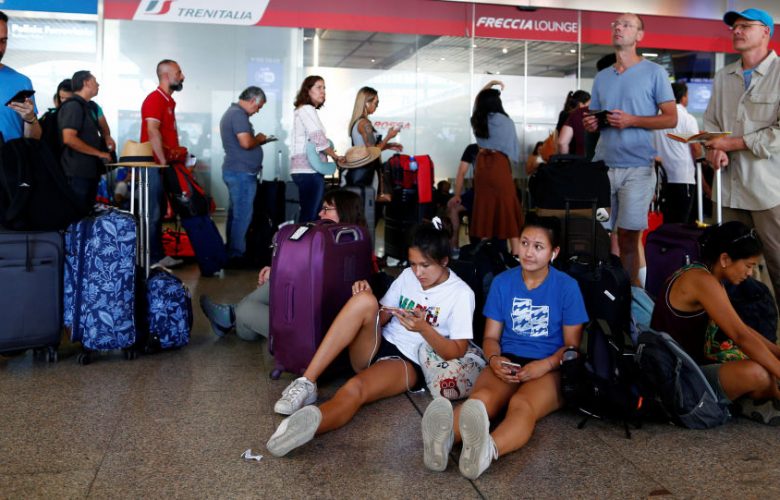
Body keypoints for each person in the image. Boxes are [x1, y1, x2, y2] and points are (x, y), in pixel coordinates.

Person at [265, 220, 475, 457]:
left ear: (444, 261)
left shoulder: (460, 294)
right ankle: (307, 381)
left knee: (355, 388)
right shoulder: (408, 276)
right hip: (378, 343)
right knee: (364, 300)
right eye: (413, 264)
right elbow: (383, 315)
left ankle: (308, 425)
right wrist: (370, 300)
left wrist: (424, 328)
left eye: (425, 266)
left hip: (406, 361)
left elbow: (457, 351)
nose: (418, 273)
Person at [421, 216, 588, 479]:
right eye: (525, 243)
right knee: (481, 400)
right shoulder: (503, 282)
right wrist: (494, 359)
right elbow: (490, 337)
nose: (528, 252)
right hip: (508, 359)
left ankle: (486, 450)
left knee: (522, 405)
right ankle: (441, 441)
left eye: (538, 246)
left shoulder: (567, 287)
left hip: (551, 366)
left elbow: (571, 348)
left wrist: (543, 366)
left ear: (554, 253)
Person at [650, 221, 780, 425]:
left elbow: (741, 328)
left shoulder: (706, 276)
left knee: (766, 364)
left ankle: (755, 400)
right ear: (725, 259)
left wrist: (777, 353)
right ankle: (754, 401)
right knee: (760, 374)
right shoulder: (702, 280)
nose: (750, 274)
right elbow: (740, 336)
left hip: (689, 369)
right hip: (678, 381)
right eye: (748, 266)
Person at [199, 189, 370, 341]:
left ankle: (231, 317)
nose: (320, 213)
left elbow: (317, 291)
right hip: (313, 317)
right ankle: (231, 316)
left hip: (314, 329)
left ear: (344, 211)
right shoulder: (356, 244)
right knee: (266, 289)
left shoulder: (340, 251)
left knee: (245, 310)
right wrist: (278, 273)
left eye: (326, 209)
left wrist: (279, 276)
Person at [584, 12, 677, 286]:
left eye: (626, 25)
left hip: (637, 170)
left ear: (639, 35)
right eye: (616, 24)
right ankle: (603, 291)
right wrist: (592, 123)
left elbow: (670, 118)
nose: (618, 28)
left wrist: (632, 120)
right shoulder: (602, 77)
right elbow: (596, 118)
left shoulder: (654, 73)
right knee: (598, 233)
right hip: (603, 170)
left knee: (628, 237)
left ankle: (629, 296)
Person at [703, 8, 780, 311]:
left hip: (768, 190)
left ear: (766, 31)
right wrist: (714, 148)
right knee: (725, 263)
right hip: (728, 189)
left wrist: (732, 143)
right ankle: (734, 326)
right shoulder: (724, 76)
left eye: (745, 26)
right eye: (734, 26)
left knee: (777, 263)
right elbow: (711, 123)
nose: (737, 31)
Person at [470, 80, 524, 256]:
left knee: (485, 207)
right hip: (499, 165)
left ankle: (485, 255)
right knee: (507, 207)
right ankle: (516, 254)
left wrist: (490, 84)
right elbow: (514, 151)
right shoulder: (506, 122)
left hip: (482, 166)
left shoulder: (478, 120)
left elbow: (477, 102)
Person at [141, 59, 186, 268]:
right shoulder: (155, 99)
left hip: (162, 164)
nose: (182, 77)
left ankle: (158, 255)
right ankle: (150, 259)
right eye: (178, 73)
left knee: (159, 213)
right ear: (166, 76)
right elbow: (152, 131)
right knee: (153, 213)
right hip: (153, 165)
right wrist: (162, 162)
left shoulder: (168, 101)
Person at [219, 86, 269, 265]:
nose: (258, 110)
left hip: (237, 171)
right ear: (253, 100)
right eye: (258, 106)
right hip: (241, 173)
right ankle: (236, 254)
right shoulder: (238, 115)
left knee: (236, 214)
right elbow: (246, 143)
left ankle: (232, 251)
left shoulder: (233, 113)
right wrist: (260, 139)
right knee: (242, 215)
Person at [290, 76, 344, 223]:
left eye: (324, 88)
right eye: (318, 87)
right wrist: (336, 157)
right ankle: (306, 238)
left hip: (303, 170)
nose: (323, 91)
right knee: (312, 217)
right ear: (308, 90)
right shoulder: (307, 109)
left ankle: (301, 237)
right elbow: (318, 137)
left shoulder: (302, 110)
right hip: (309, 170)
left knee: (307, 213)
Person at [58, 70, 112, 212]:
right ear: (86, 83)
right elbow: (69, 138)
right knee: (76, 214)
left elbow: (103, 129)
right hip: (76, 172)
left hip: (88, 171)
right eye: (95, 81)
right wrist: (99, 153)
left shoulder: (88, 106)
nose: (98, 84)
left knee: (86, 213)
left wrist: (106, 137)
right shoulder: (73, 106)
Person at [652, 82, 701, 224]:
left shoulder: (657, 119)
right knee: (681, 223)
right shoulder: (688, 118)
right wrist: (702, 158)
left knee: (665, 222)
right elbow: (696, 148)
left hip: (662, 178)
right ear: (683, 98)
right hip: (682, 176)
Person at [344, 86, 402, 187]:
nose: (377, 106)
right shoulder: (364, 123)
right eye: (376, 103)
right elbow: (372, 151)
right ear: (366, 103)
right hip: (366, 170)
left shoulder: (358, 122)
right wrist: (389, 136)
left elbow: (368, 149)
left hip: (362, 169)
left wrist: (388, 145)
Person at [0, 11, 41, 142]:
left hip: (10, 154)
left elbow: (34, 138)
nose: (0, 48)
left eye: (3, 41)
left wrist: (30, 119)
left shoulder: (22, 82)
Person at [446, 143, 478, 252]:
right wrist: (457, 195)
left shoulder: (497, 147)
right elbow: (461, 172)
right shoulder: (472, 148)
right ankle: (454, 248)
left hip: (492, 195)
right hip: (476, 192)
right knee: (453, 206)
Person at [557, 91, 591, 156]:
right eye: (589, 104)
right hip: (576, 154)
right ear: (581, 104)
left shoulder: (564, 114)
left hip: (564, 153)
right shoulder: (576, 116)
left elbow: (559, 138)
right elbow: (562, 142)